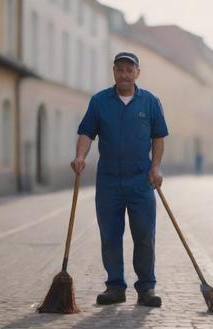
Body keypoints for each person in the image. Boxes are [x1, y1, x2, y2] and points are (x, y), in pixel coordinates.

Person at [71, 52, 168, 307]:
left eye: (129, 69)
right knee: (110, 236)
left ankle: (146, 288)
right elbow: (86, 132)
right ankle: (115, 286)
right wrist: (80, 156)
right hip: (109, 182)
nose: (124, 74)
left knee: (145, 235)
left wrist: (156, 167)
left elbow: (158, 137)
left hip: (141, 180)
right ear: (113, 71)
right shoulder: (100, 101)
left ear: (137, 72)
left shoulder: (150, 102)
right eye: (120, 69)